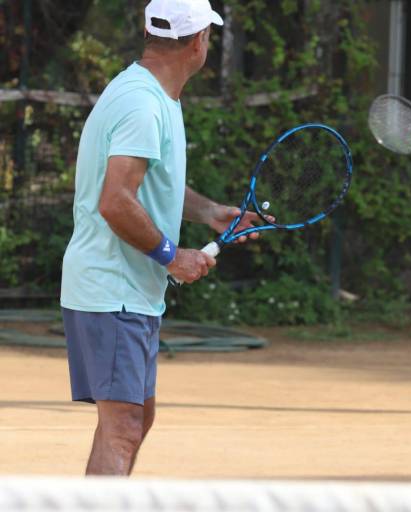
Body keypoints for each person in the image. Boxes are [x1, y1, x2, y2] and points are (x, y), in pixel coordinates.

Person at [60, 0, 262, 475]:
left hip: (127, 290)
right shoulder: (143, 104)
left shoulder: (153, 95)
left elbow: (152, 184)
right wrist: (172, 257)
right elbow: (115, 200)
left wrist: (208, 212)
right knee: (124, 426)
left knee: (133, 420)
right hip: (112, 289)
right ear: (198, 42)